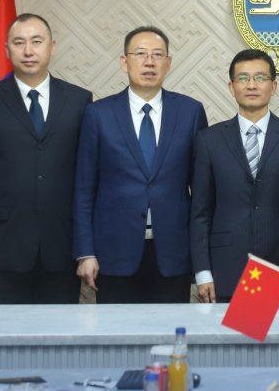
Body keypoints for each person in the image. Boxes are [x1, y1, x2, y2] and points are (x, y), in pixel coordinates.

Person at [0, 13, 92, 304]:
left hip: (62, 247)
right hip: (1, 249)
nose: (28, 51)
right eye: (19, 43)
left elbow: (86, 178)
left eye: (36, 41)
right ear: (7, 50)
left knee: (59, 331)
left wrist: (87, 248)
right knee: (5, 331)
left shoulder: (79, 100)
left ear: (52, 46)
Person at [73, 26, 208, 303]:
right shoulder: (98, 114)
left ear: (168, 63)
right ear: (124, 62)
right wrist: (85, 252)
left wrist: (201, 259)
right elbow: (84, 189)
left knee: (172, 330)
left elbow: (202, 192)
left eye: (157, 55)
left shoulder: (190, 112)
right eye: (141, 54)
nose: (149, 62)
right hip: (114, 253)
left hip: (173, 254)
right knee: (117, 330)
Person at [189, 49, 279, 302]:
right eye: (243, 78)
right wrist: (202, 272)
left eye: (260, 78)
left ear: (273, 86)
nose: (252, 85)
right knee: (228, 331)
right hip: (225, 269)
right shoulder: (209, 140)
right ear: (232, 87)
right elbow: (200, 211)